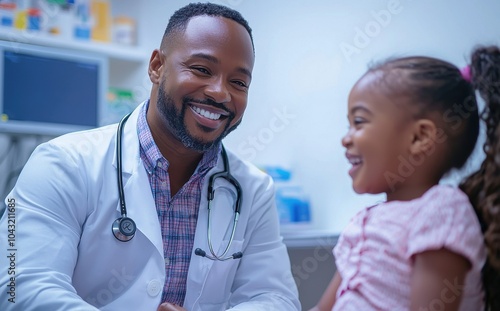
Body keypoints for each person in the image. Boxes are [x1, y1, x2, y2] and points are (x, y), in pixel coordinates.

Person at [0, 3, 300, 311]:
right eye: (202, 69)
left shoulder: (254, 190)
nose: (220, 92)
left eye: (238, 82)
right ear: (157, 66)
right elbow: (20, 287)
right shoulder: (61, 164)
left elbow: (276, 299)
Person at [309, 45, 500, 311]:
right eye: (348, 124)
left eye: (360, 121)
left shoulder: (442, 209)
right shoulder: (365, 221)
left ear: (419, 138)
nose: (346, 138)